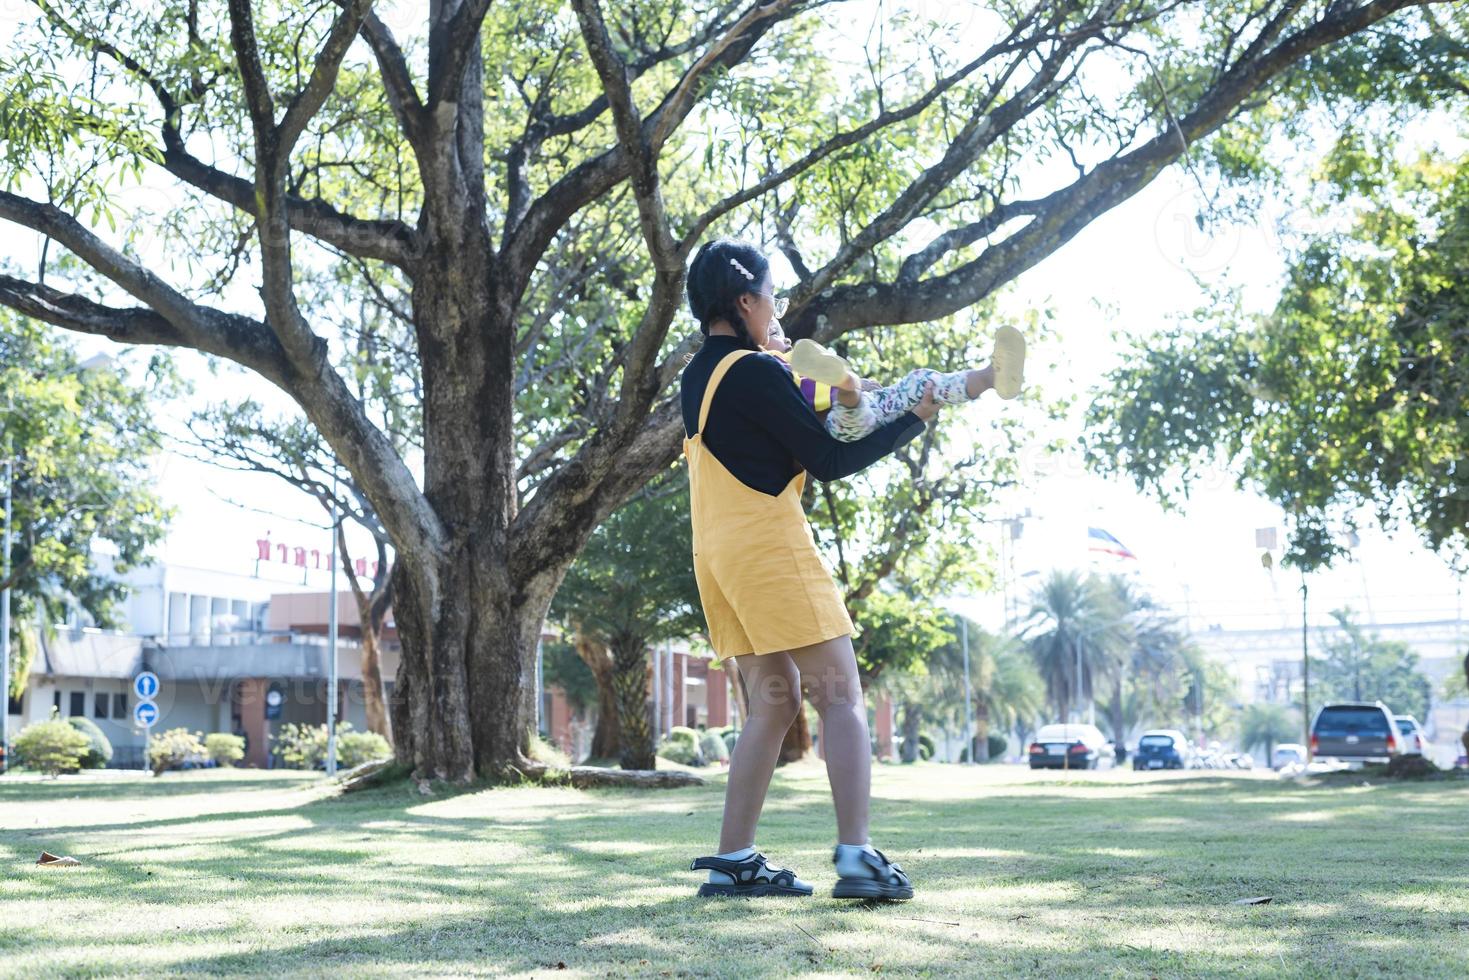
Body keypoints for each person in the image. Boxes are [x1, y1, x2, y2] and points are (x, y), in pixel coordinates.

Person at [680, 237, 936, 901]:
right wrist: (914, 416)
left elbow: (782, 431)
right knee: (840, 695)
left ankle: (733, 859)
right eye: (770, 296)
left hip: (717, 553)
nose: (776, 309)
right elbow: (830, 460)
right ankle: (857, 859)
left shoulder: (701, 374)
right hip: (768, 546)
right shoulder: (754, 372)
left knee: (773, 702)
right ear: (743, 300)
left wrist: (831, 395)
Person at [761, 321, 1024, 441]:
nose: (786, 340)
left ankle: (991, 376)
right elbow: (804, 395)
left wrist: (862, 386)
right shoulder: (770, 364)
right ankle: (846, 384)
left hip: (874, 407)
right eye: (773, 331)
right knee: (849, 404)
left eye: (783, 332)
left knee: (921, 381)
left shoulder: (794, 360)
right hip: (833, 426)